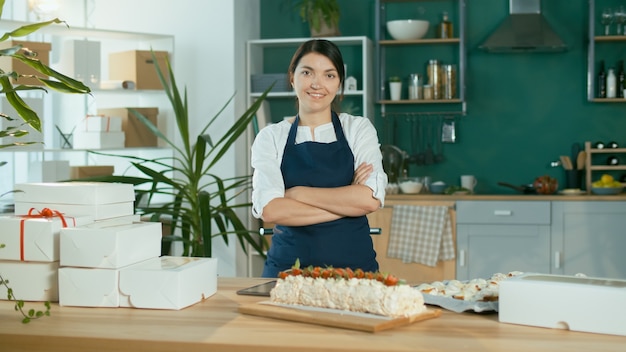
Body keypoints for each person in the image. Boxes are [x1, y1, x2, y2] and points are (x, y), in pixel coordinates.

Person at [250, 39, 388, 278]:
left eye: (329, 75)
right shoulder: (271, 137)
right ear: (292, 77)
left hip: (355, 276)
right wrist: (347, 205)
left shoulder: (357, 129)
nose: (317, 84)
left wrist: (297, 193)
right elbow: (271, 211)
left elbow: (369, 199)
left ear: (339, 84)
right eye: (307, 72)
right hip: (287, 274)